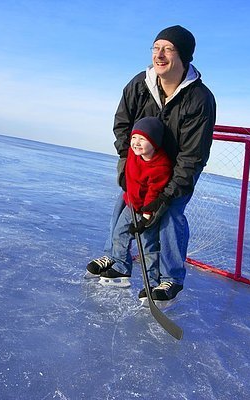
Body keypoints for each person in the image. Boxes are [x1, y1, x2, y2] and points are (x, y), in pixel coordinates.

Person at [87, 25, 216, 302]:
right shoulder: (140, 84)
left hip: (176, 172)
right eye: (156, 48)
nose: (160, 54)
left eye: (168, 49)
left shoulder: (200, 98)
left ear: (184, 57)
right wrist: (127, 161)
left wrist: (165, 197)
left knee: (168, 216)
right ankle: (119, 262)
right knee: (125, 205)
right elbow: (123, 123)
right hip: (140, 166)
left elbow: (193, 155)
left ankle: (169, 279)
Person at [86, 117, 172, 289]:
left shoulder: (161, 166)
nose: (136, 143)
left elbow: (154, 192)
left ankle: (153, 283)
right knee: (119, 233)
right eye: (134, 137)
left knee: (147, 245)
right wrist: (124, 180)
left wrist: (146, 218)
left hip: (148, 210)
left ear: (154, 142)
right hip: (131, 203)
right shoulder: (133, 154)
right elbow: (127, 168)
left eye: (142, 139)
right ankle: (121, 267)